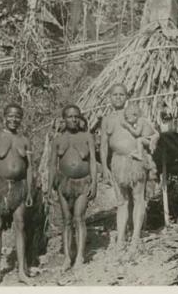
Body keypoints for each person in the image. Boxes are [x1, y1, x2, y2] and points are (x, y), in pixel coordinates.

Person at [100, 83, 158, 251]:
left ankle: (135, 238)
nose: (118, 97)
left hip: (135, 160)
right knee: (122, 202)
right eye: (115, 95)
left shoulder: (134, 115)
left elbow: (148, 132)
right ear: (109, 98)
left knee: (139, 198)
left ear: (127, 97)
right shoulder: (107, 119)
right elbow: (104, 145)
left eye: (121, 94)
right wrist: (104, 167)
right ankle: (120, 239)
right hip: (117, 163)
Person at [0, 103, 34, 285]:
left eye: (18, 116)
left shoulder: (24, 140)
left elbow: (29, 168)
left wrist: (29, 191)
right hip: (1, 186)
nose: (14, 119)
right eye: (11, 116)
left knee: (20, 225)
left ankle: (22, 270)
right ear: (4, 116)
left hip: (20, 187)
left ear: (21, 118)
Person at [48, 105, 98, 270]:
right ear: (64, 119)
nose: (73, 119)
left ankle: (80, 257)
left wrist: (95, 183)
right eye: (70, 116)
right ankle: (68, 257)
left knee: (79, 217)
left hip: (83, 182)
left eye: (76, 116)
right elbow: (52, 165)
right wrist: (50, 189)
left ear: (80, 118)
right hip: (63, 183)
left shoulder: (87, 137)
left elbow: (92, 162)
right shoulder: (57, 140)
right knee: (67, 220)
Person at [120, 102, 159, 181]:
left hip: (148, 140)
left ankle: (139, 155)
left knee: (139, 140)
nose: (128, 121)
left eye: (128, 118)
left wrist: (128, 127)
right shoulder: (141, 120)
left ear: (135, 115)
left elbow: (137, 133)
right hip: (148, 139)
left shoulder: (140, 120)